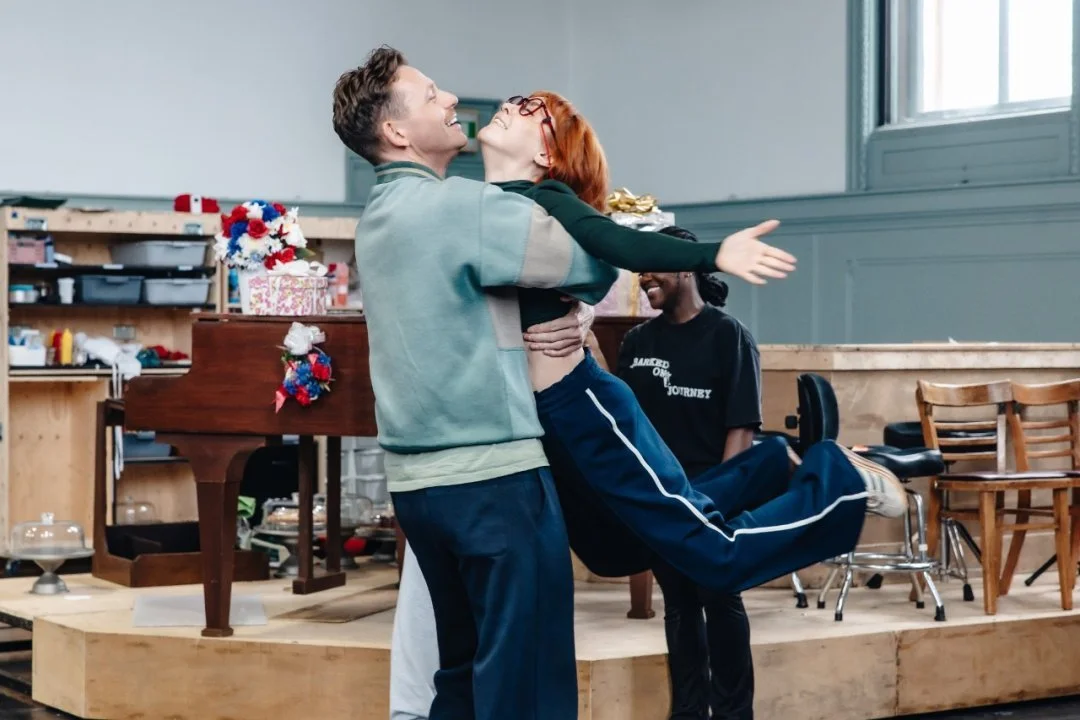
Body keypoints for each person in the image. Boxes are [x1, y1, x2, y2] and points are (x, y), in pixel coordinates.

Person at [380, 82, 909, 719]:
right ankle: (767, 465)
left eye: (531, 108)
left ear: (548, 154)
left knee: (709, 555)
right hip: (534, 432)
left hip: (584, 409)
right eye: (517, 100)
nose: (512, 105)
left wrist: (714, 254)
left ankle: (838, 481)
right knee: (613, 552)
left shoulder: (545, 198)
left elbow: (619, 246)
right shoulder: (470, 209)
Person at [332, 48, 794, 720]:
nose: (454, 98)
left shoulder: (382, 215)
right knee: (533, 668)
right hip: (493, 475)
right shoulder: (464, 208)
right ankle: (794, 475)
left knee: (465, 664)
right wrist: (590, 296)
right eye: (431, 94)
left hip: (427, 482)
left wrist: (577, 306)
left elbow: (575, 261)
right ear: (397, 131)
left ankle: (771, 470)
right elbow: (596, 261)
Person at [617, 225, 759, 719]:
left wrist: (717, 505)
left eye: (650, 267)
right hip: (660, 499)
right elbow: (628, 427)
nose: (643, 278)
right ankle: (688, 713)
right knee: (678, 606)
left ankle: (735, 714)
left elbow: (741, 427)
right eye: (639, 271)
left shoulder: (728, 335)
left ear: (684, 268)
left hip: (711, 499)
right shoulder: (636, 342)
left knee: (720, 600)